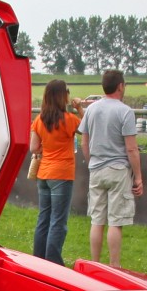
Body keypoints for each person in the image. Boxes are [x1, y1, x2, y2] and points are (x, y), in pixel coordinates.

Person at [78, 69, 142, 267]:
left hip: (96, 169)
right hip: (118, 170)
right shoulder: (125, 112)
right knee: (116, 221)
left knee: (97, 220)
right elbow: (131, 148)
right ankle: (114, 266)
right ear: (120, 86)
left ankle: (95, 264)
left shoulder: (91, 110)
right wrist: (138, 177)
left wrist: (92, 163)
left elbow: (83, 143)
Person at [28, 79, 82, 265]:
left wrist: (47, 148)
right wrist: (79, 108)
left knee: (44, 218)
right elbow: (87, 128)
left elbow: (34, 147)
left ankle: (38, 259)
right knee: (58, 221)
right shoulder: (69, 120)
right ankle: (53, 262)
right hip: (62, 173)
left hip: (44, 174)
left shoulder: (39, 119)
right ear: (62, 96)